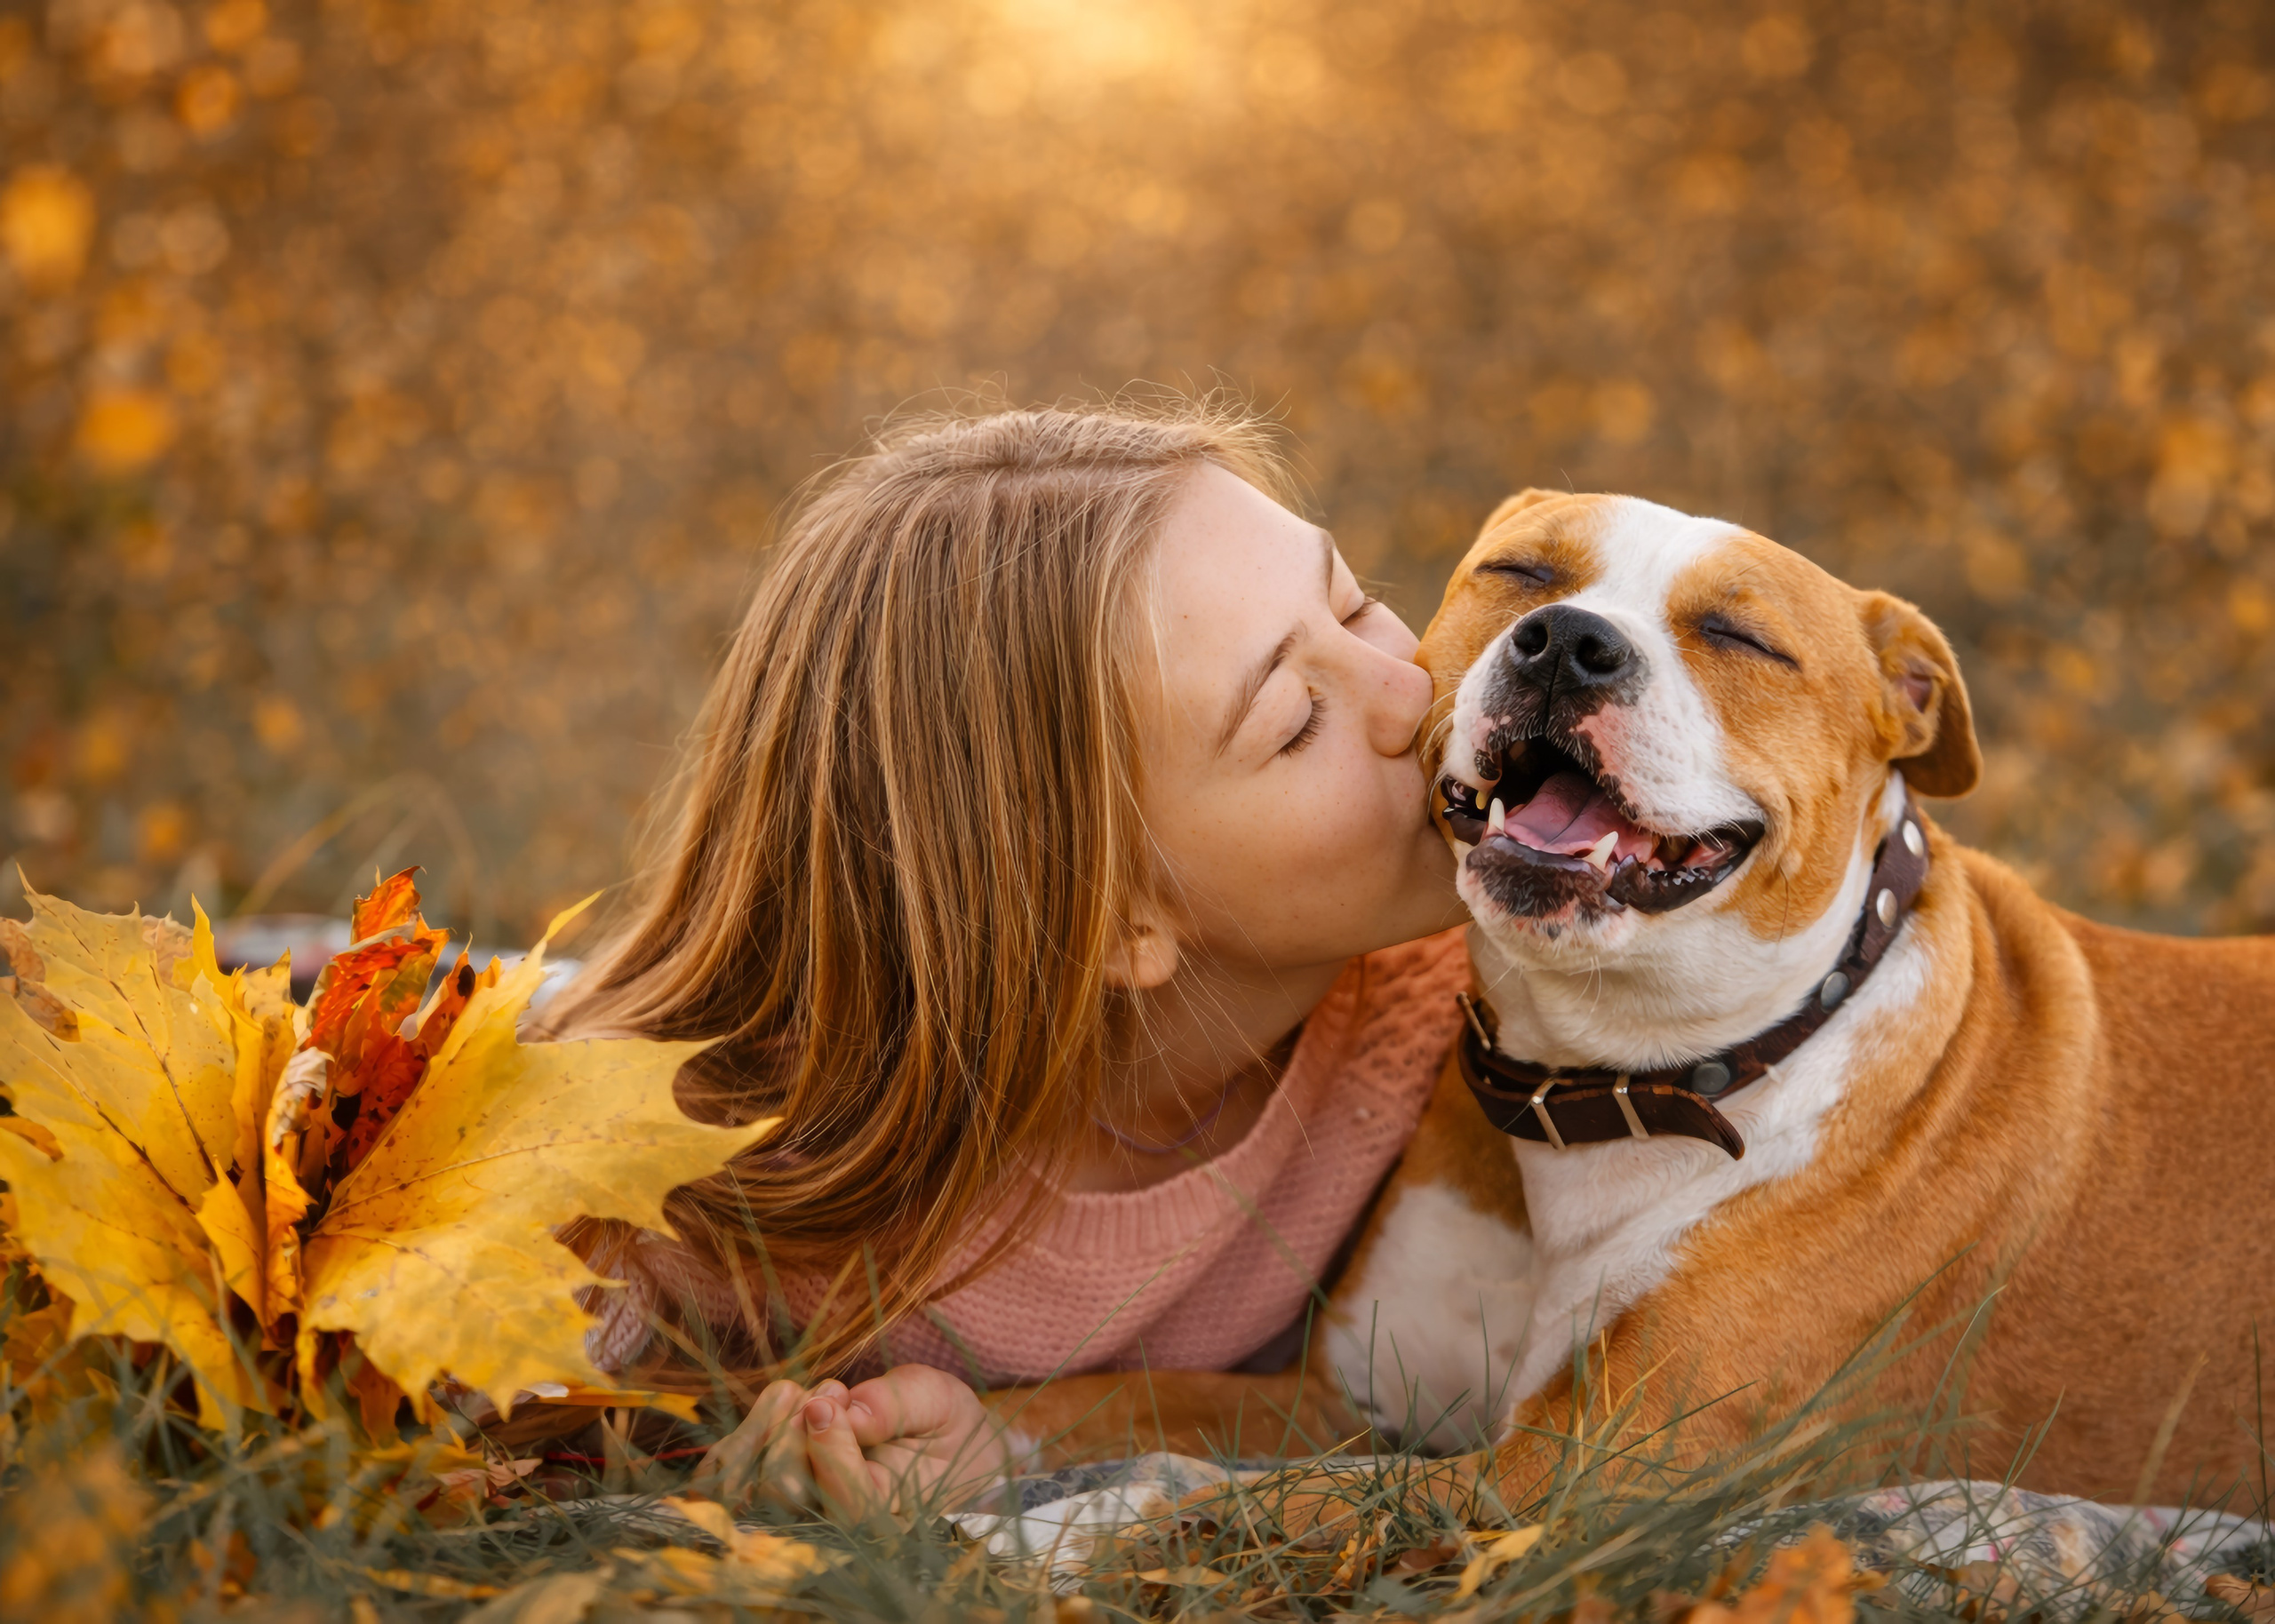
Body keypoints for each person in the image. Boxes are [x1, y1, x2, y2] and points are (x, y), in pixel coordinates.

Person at [539, 401, 1469, 1515]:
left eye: (1353, 602)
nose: (1413, 688)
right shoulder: (701, 1162)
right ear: (1112, 918)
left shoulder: (1512, 1003)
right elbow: (456, 1423)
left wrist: (1022, 1449)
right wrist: (734, 1460)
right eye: (1295, 717)